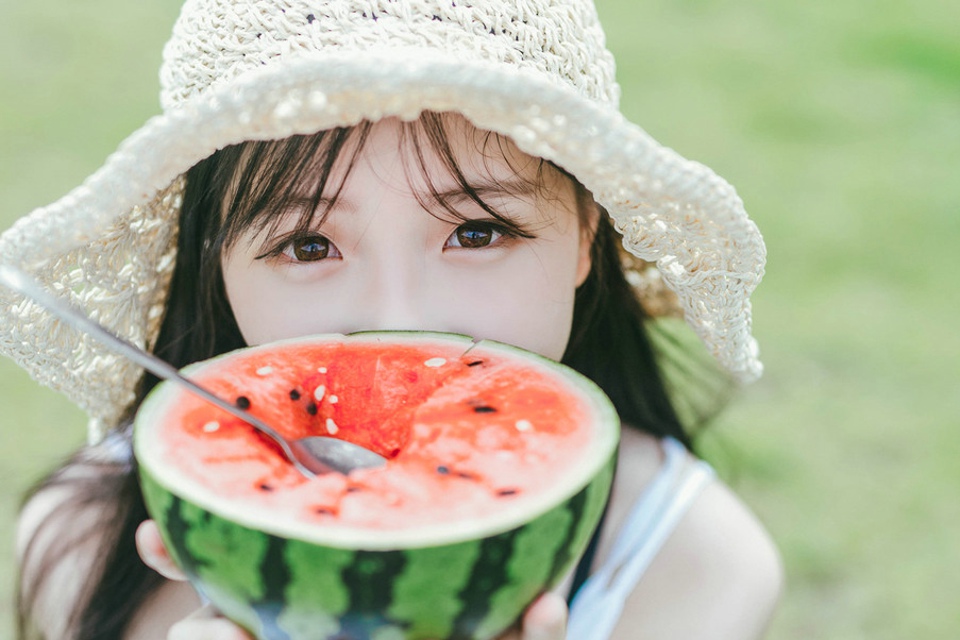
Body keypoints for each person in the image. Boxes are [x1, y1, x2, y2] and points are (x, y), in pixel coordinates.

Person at [0, 0, 782, 638]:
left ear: (586, 238)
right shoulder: (77, 544)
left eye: (477, 232)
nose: (399, 323)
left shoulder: (695, 567)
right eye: (307, 244)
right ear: (216, 267)